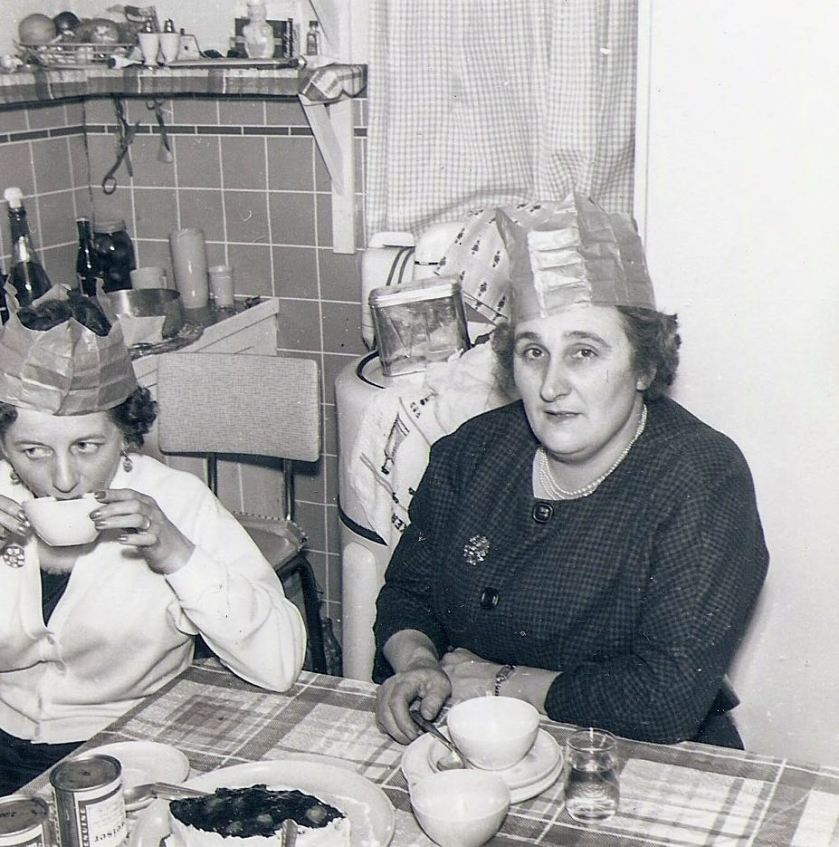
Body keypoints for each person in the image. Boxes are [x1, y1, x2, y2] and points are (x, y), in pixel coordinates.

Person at [373, 193, 769, 750]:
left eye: (584, 352)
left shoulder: (701, 478)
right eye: (534, 352)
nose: (552, 385)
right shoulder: (471, 452)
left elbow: (665, 700)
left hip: (641, 759)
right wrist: (417, 662)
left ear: (643, 366)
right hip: (476, 741)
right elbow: (408, 591)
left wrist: (498, 682)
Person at [0, 289, 306, 794]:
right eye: (32, 450)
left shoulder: (176, 503)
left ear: (126, 432)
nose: (61, 478)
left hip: (127, 749)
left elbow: (279, 665)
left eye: (86, 446)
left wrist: (176, 555)